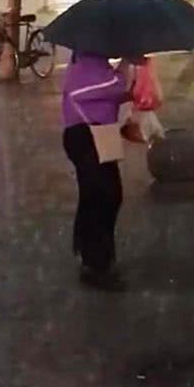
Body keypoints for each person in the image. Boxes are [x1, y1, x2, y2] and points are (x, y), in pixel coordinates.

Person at [62, 52, 133, 291]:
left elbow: (110, 93)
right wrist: (126, 66)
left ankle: (92, 254)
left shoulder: (95, 62)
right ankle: (96, 264)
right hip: (86, 137)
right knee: (104, 197)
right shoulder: (84, 64)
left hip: (100, 135)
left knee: (99, 196)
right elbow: (106, 88)